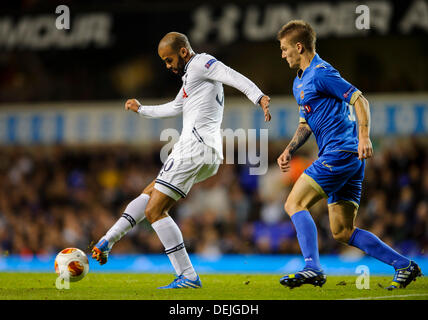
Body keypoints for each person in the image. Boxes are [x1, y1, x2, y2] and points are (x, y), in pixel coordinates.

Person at [91, 32, 271, 289]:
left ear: (184, 52)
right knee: (150, 192)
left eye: (169, 59)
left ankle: (187, 275)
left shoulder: (201, 63)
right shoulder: (191, 77)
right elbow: (175, 107)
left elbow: (230, 74)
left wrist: (258, 96)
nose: (168, 65)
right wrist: (142, 109)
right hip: (204, 151)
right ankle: (107, 240)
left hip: (194, 147)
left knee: (155, 210)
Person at [276, 20, 421, 290]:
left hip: (340, 152)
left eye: (285, 49)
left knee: (293, 204)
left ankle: (312, 267)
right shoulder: (299, 83)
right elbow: (306, 123)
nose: (282, 54)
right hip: (346, 158)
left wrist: (364, 136)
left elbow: (359, 99)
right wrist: (289, 149)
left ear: (299, 46)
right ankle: (405, 265)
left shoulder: (321, 72)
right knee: (342, 231)